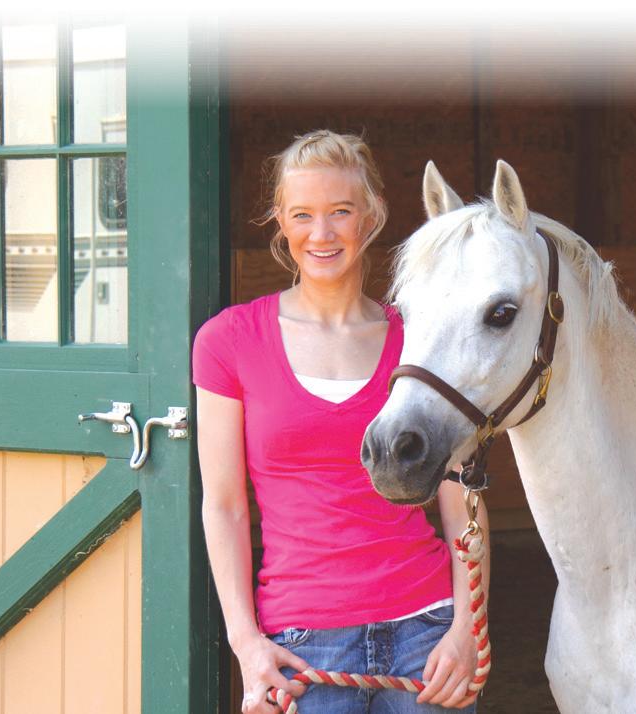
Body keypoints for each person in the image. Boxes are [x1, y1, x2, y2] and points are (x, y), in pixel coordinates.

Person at [192, 130, 488, 714]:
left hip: (428, 633)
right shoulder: (228, 341)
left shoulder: (418, 339)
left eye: (341, 212)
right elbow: (224, 507)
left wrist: (468, 629)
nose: (321, 233)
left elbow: (463, 502)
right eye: (302, 214)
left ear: (372, 216)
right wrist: (245, 643)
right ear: (280, 220)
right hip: (304, 644)